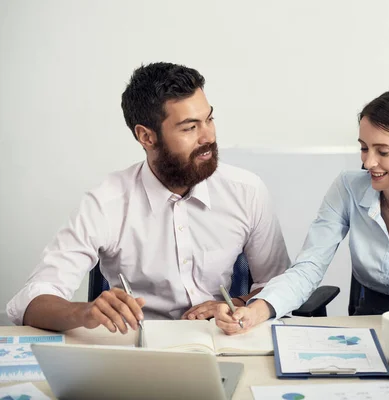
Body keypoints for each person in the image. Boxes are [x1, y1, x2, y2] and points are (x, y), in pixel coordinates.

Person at [6, 62, 290, 333]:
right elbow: (33, 300)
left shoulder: (247, 190)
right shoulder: (107, 202)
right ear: (146, 137)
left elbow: (280, 286)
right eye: (190, 127)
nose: (208, 137)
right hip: (142, 350)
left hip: (225, 342)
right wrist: (85, 313)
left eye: (209, 119)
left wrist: (240, 305)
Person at [215, 87, 389, 335]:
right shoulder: (349, 187)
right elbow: (308, 267)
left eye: (384, 151)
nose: (368, 162)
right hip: (364, 327)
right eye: (364, 148)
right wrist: (256, 310)